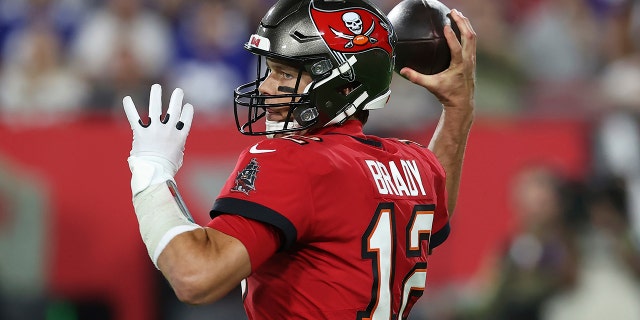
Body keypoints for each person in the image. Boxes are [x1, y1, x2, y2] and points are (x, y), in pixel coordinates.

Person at [122, 0, 476, 318]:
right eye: (270, 69)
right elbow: (438, 204)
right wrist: (459, 105)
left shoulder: (292, 159)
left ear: (344, 86)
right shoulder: (412, 163)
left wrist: (151, 171)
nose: (265, 87)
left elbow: (195, 277)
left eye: (285, 74)